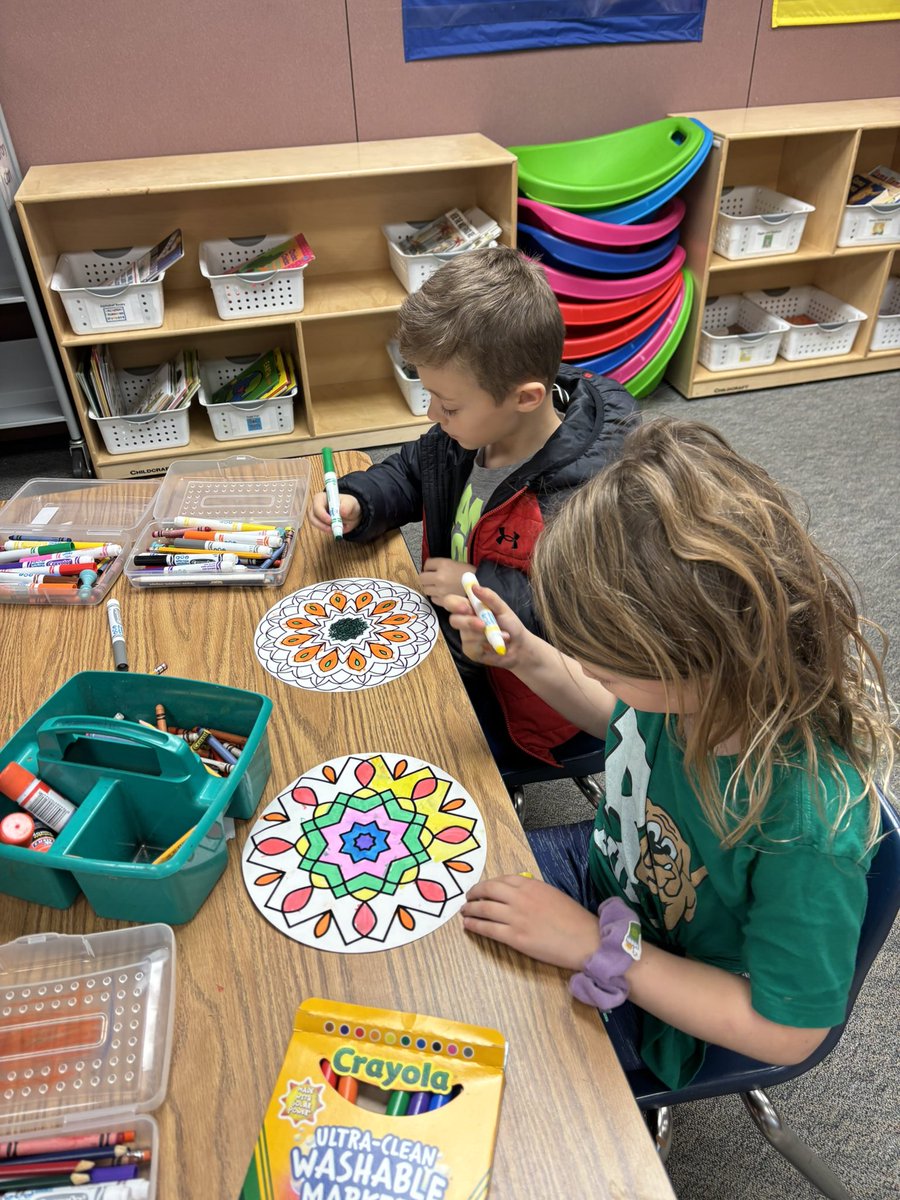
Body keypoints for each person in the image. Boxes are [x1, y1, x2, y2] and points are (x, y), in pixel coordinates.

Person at [447, 417, 896, 1089]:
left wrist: (594, 945)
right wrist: (527, 656)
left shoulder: (805, 828)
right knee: (432, 921)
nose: (589, 671)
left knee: (480, 1066)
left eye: (609, 666)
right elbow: (619, 718)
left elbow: (788, 1031)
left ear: (700, 656)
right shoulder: (693, 693)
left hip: (666, 990)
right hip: (607, 877)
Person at [309, 245, 637, 765]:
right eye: (430, 394)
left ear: (526, 398)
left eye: (448, 403)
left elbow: (584, 629)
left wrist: (474, 583)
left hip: (536, 705)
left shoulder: (588, 502)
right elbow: (413, 471)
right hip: (464, 647)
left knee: (387, 742)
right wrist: (360, 500)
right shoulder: (469, 434)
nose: (431, 413)